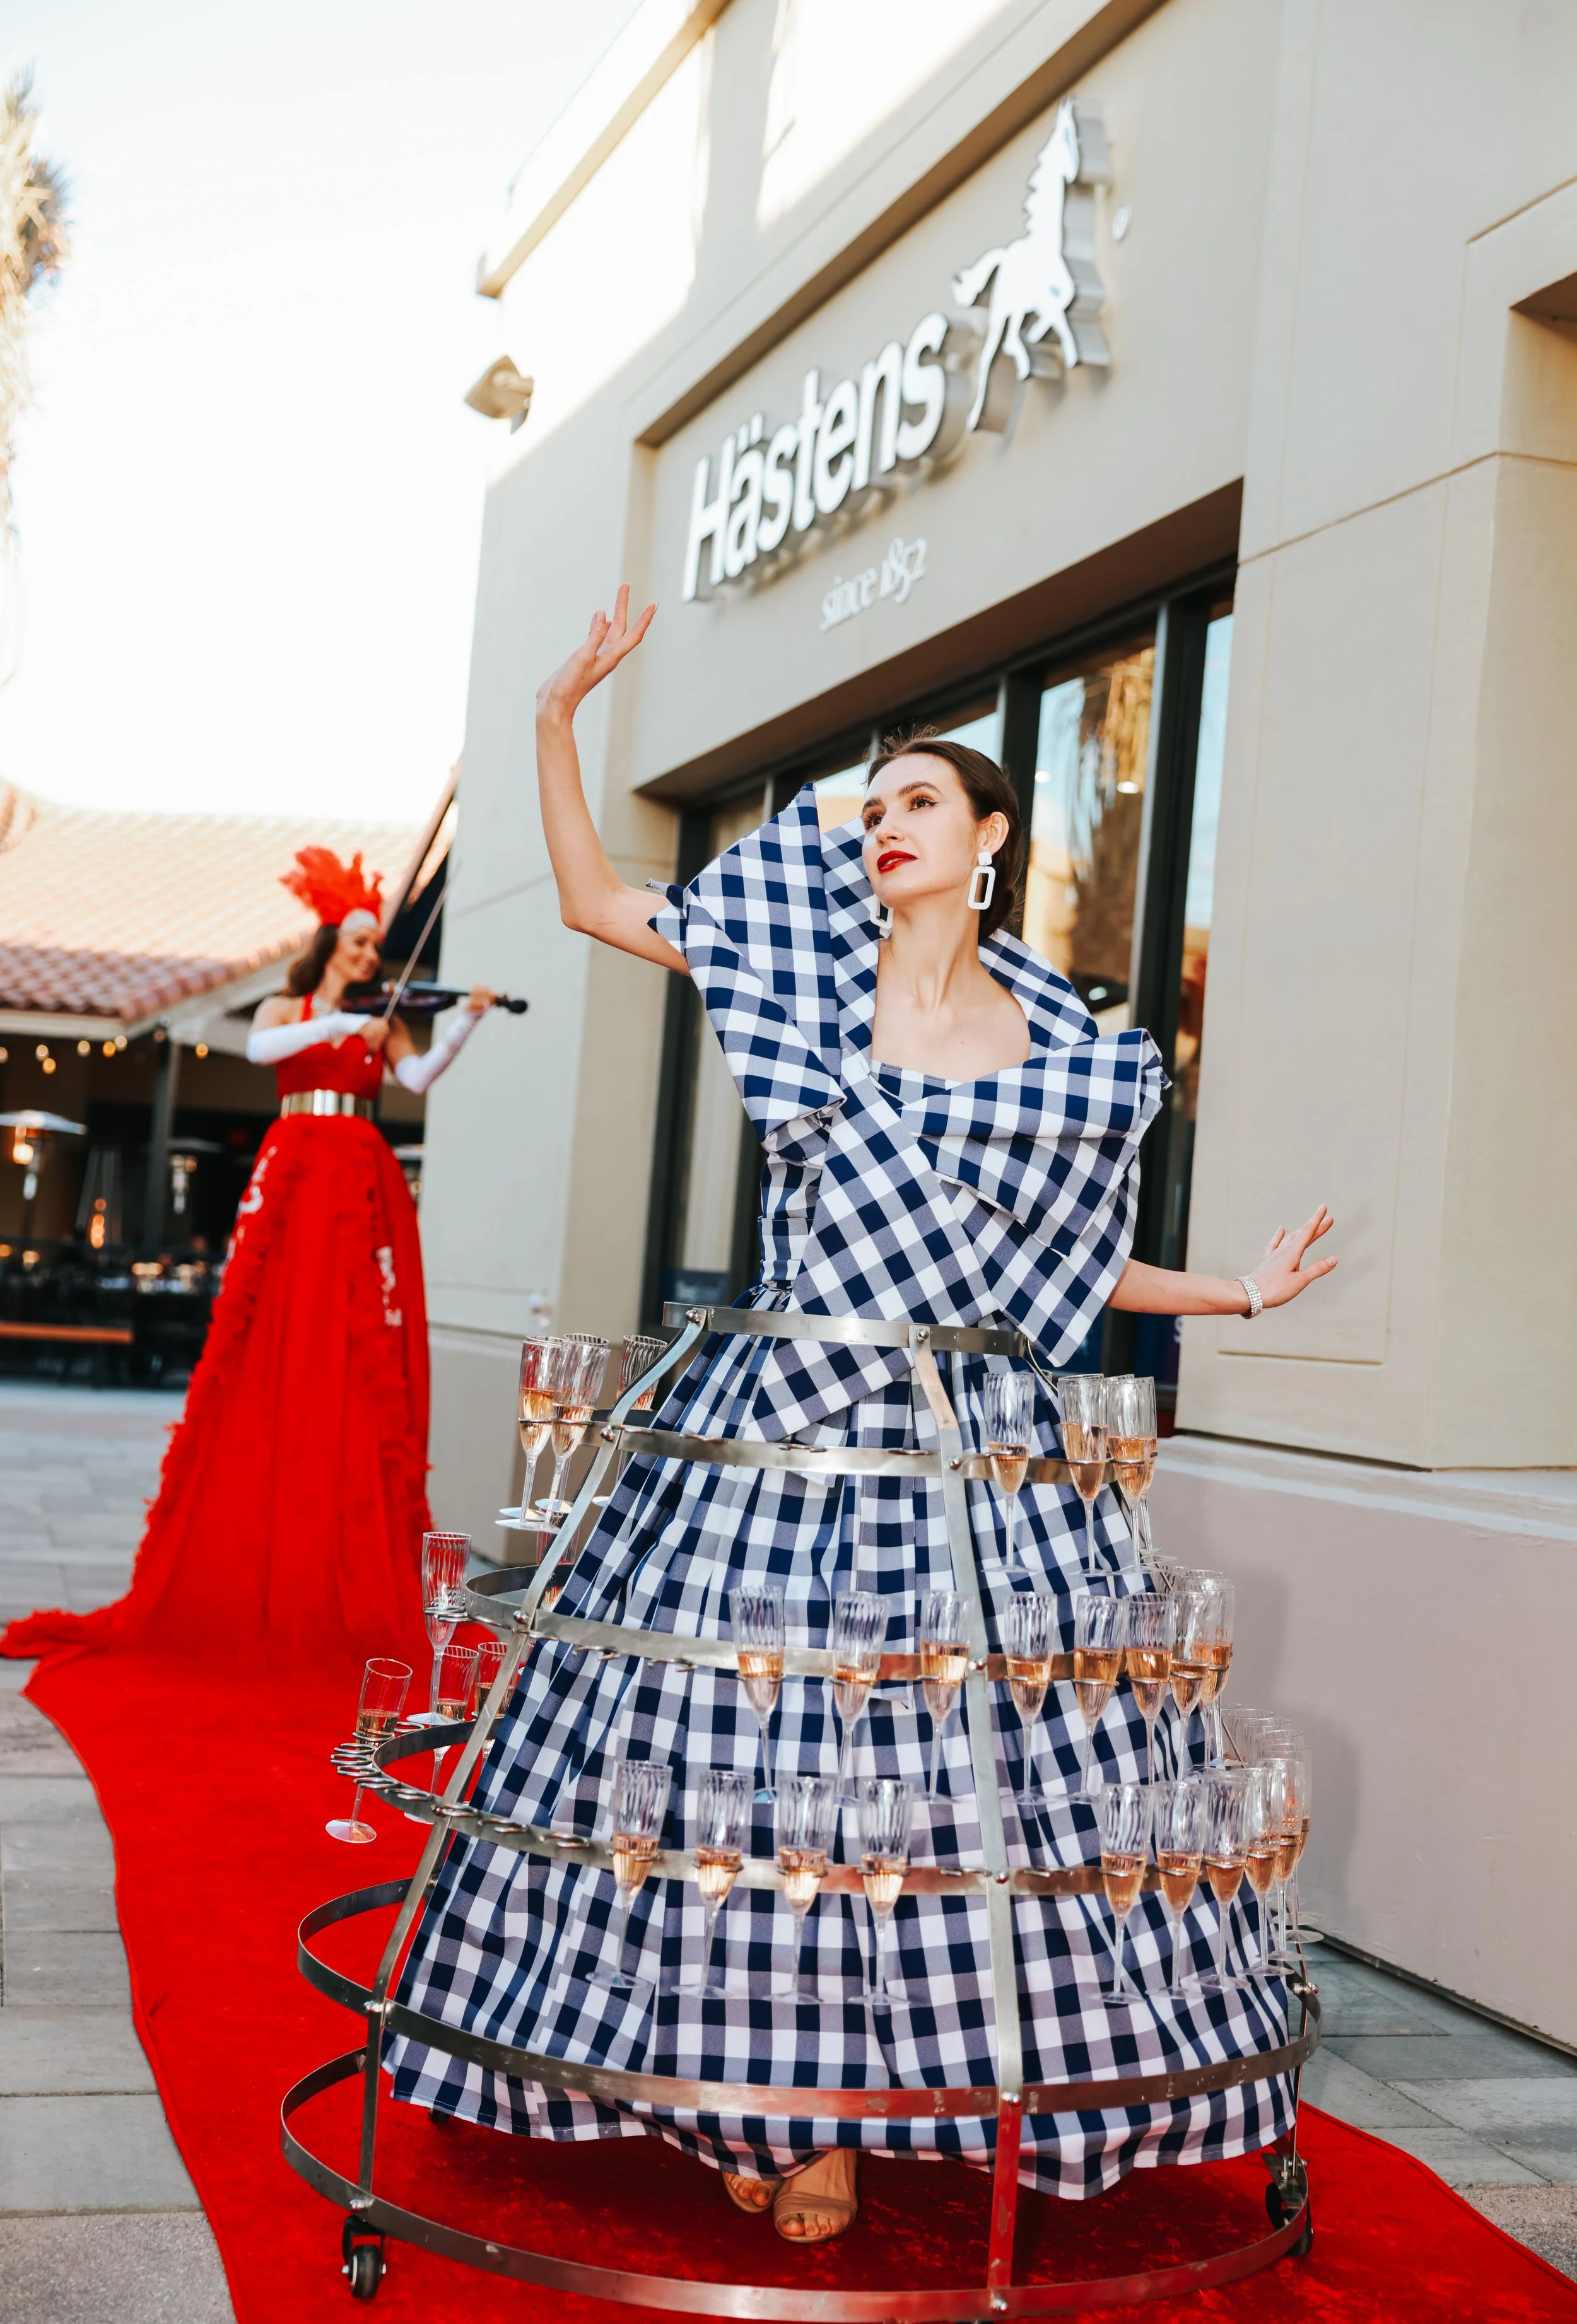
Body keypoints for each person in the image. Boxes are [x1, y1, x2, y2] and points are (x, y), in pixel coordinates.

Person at [385, 592, 1337, 2245]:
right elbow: (600, 900)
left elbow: (1070, 1261)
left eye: (918, 799)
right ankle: (771, 2113)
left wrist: (1239, 1294)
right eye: (872, 801)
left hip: (978, 1453)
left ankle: (967, 2083)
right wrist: (551, 715)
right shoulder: (800, 975)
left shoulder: (1061, 1043)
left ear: (989, 838)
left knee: (981, 1785)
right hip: (782, 1433)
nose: (884, 821)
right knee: (747, 1766)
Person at [1, 848, 496, 1665]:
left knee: (358, 1330)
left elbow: (420, 1078)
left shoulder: (387, 1018)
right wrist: (340, 1025)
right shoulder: (289, 1008)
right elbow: (266, 1053)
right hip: (298, 1164)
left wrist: (468, 1019)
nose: (370, 957)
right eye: (360, 942)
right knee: (278, 1317)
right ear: (332, 941)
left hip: (359, 1171)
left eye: (376, 947)